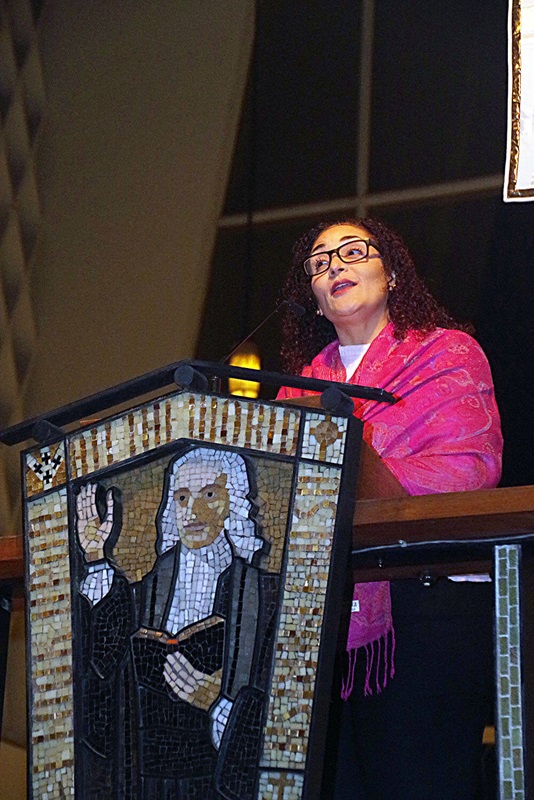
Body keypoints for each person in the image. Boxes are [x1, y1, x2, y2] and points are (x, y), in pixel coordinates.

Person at [277, 218, 503, 799]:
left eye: (353, 252)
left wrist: (360, 460)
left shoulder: (449, 352)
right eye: (320, 263)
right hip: (320, 623)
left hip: (427, 608)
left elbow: (468, 470)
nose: (336, 267)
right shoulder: (297, 386)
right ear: (315, 300)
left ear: (393, 272)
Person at [76, 445, 276, 800]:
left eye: (210, 494)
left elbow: (285, 718)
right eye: (182, 498)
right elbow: (100, 681)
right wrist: (94, 558)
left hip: (214, 786)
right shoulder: (141, 597)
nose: (193, 512)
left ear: (235, 504)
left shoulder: (265, 598)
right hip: (143, 785)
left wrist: (218, 705)